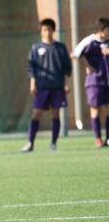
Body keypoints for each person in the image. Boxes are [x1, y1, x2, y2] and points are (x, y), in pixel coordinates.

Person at [21, 18, 72, 152]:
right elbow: (30, 67)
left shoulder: (60, 48)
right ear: (41, 31)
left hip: (57, 86)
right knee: (36, 114)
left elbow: (67, 67)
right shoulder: (36, 48)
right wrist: (33, 83)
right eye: (44, 30)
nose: (47, 32)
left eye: (49, 29)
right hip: (42, 87)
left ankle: (53, 143)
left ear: (53, 31)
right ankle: (30, 143)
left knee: (55, 114)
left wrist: (66, 84)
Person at [71, 17, 109, 147]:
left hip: (108, 81)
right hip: (95, 82)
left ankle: (108, 139)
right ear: (101, 29)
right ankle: (98, 138)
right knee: (96, 110)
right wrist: (87, 66)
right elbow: (75, 54)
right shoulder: (90, 41)